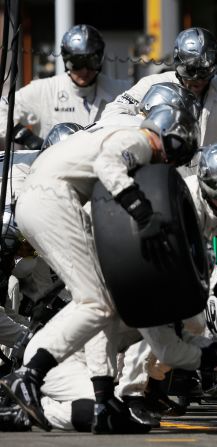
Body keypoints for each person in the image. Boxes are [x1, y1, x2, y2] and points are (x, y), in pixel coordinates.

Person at [0, 104, 200, 433]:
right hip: (52, 198)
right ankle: (28, 376)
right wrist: (143, 214)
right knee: (94, 302)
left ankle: (103, 395)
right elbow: (109, 165)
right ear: (171, 137)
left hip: (47, 197)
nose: (172, 163)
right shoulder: (140, 140)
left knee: (103, 302)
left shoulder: (118, 135)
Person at [102, 27, 217, 146]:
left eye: (204, 71)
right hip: (164, 172)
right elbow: (113, 112)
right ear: (177, 63)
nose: (197, 79)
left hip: (208, 174)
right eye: (189, 70)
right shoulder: (152, 84)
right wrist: (148, 128)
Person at [0, 24, 130, 150]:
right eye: (77, 63)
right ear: (65, 60)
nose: (84, 71)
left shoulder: (121, 90)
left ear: (100, 60)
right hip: (53, 167)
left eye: (92, 62)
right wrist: (27, 138)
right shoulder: (45, 90)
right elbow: (2, 108)